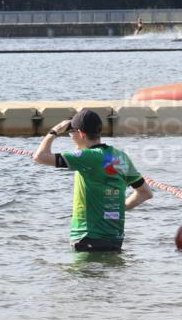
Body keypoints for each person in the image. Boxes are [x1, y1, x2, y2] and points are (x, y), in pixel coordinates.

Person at [32, 108, 153, 252]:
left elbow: (40, 157)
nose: (71, 137)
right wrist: (118, 208)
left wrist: (54, 131)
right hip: (115, 238)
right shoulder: (120, 157)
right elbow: (145, 192)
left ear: (81, 134)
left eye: (71, 133)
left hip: (87, 237)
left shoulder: (87, 157)